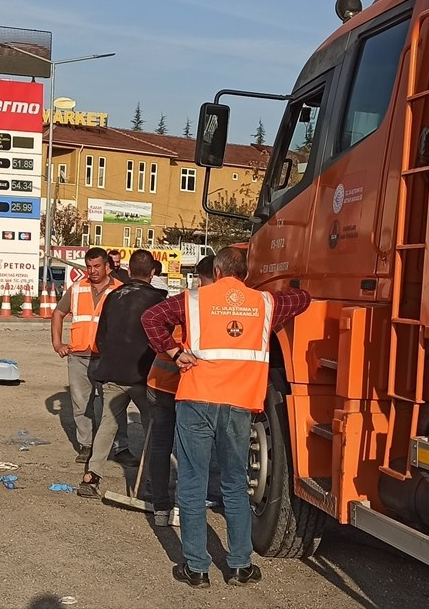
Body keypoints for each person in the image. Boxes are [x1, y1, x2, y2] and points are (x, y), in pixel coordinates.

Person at [141, 247, 311, 589]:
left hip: (197, 399)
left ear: (216, 272)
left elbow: (151, 319)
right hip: (238, 404)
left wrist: (175, 352)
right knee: (235, 484)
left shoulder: (191, 301)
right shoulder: (265, 304)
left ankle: (196, 568)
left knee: (192, 482)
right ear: (244, 274)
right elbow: (302, 299)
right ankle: (239, 566)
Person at [79, 250, 167, 497]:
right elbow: (163, 340)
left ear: (129, 271)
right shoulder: (158, 300)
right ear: (152, 273)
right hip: (144, 375)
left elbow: (101, 337)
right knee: (153, 427)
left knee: (108, 424)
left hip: (113, 371)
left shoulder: (114, 296)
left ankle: (91, 475)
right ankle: (150, 481)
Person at [144, 255, 215, 526]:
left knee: (162, 445)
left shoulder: (183, 301)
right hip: (183, 386)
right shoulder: (203, 305)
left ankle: (161, 506)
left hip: (160, 381)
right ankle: (183, 506)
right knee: (190, 449)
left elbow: (154, 324)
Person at [51, 247, 121, 463]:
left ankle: (118, 446)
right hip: (79, 355)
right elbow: (58, 313)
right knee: (81, 403)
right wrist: (57, 343)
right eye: (89, 267)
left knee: (113, 404)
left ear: (107, 266)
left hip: (108, 357)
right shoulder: (77, 288)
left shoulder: (119, 290)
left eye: (97, 266)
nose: (92, 271)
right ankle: (86, 445)